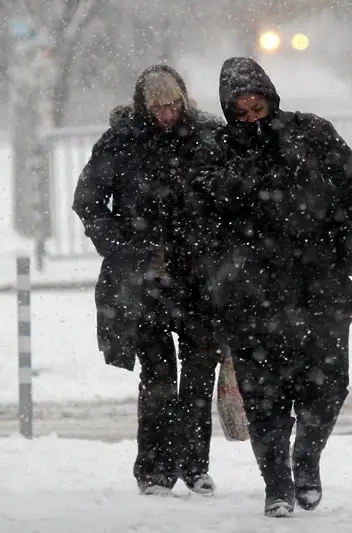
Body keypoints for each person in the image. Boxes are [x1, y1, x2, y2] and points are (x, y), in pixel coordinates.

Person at [189, 57, 352, 517]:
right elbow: (203, 209)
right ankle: (276, 484)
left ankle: (307, 461)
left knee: (328, 387)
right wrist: (248, 175)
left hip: (317, 284)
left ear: (270, 97)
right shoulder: (215, 151)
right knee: (265, 397)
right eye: (239, 112)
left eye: (257, 107)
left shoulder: (312, 133)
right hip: (250, 294)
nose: (251, 119)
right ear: (228, 112)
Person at [72, 64, 223, 497]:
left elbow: (232, 197)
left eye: (173, 105)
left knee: (198, 373)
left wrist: (211, 241)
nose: (166, 115)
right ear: (143, 105)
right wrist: (126, 246)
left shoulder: (207, 137)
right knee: (158, 374)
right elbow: (89, 202)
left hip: (198, 278)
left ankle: (194, 466)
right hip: (145, 279)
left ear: (184, 101)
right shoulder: (120, 142)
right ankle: (154, 471)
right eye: (157, 107)